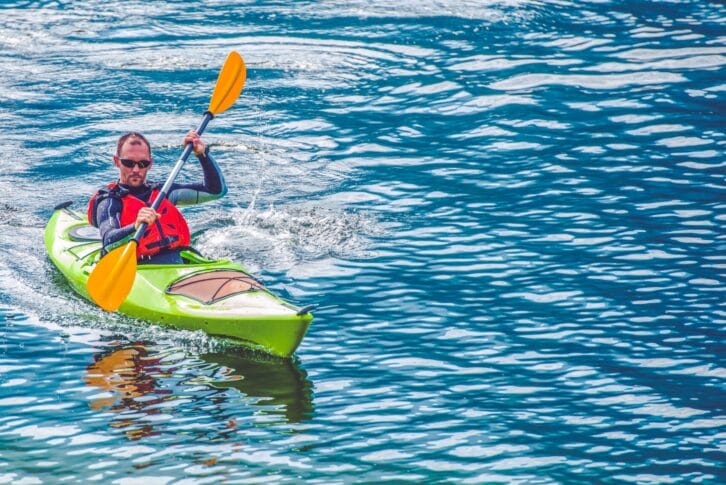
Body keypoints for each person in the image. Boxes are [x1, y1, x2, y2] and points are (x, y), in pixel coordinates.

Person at [87, 130, 227, 264]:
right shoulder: (109, 200)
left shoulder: (163, 192)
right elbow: (109, 243)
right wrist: (135, 226)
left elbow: (216, 191)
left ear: (150, 164)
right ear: (117, 162)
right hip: (136, 266)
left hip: (177, 260)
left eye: (143, 164)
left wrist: (202, 154)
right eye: (129, 163)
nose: (136, 170)